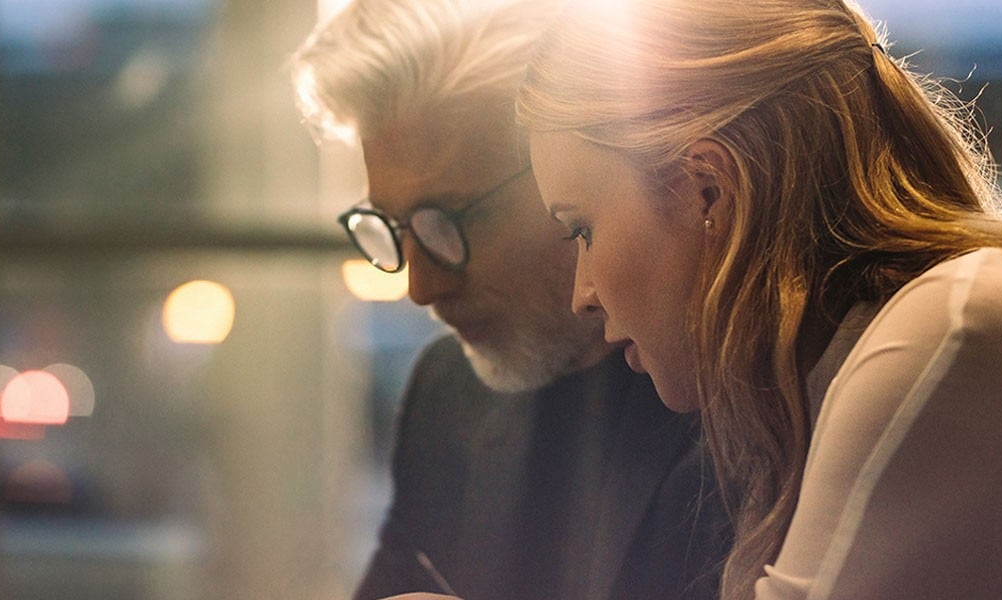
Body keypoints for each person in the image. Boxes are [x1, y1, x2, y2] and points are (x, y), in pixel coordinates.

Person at [516, 0, 1002, 598]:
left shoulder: (961, 326)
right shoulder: (862, 357)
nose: (582, 294)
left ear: (709, 187)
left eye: (580, 228)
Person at [291, 1, 731, 599]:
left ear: (563, 175)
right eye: (392, 228)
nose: (420, 288)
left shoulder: (747, 397)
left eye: (445, 222)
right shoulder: (446, 391)